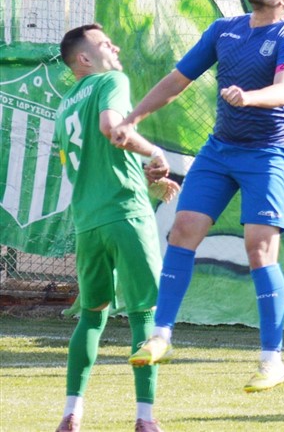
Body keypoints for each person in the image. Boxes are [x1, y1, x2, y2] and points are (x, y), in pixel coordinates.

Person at [112, 0, 284, 395]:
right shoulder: (224, 30)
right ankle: (161, 335)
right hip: (220, 150)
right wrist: (132, 118)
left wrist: (249, 98)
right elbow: (176, 80)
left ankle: (272, 361)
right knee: (182, 230)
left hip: (267, 152)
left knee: (259, 250)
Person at [54, 23, 180, 432]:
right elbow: (113, 130)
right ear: (85, 58)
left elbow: (94, 164)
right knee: (145, 313)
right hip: (125, 213)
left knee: (92, 317)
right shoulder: (111, 80)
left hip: (87, 222)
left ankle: (71, 413)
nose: (116, 48)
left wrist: (145, 177)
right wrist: (155, 151)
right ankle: (145, 418)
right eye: (106, 44)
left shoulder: (64, 107)